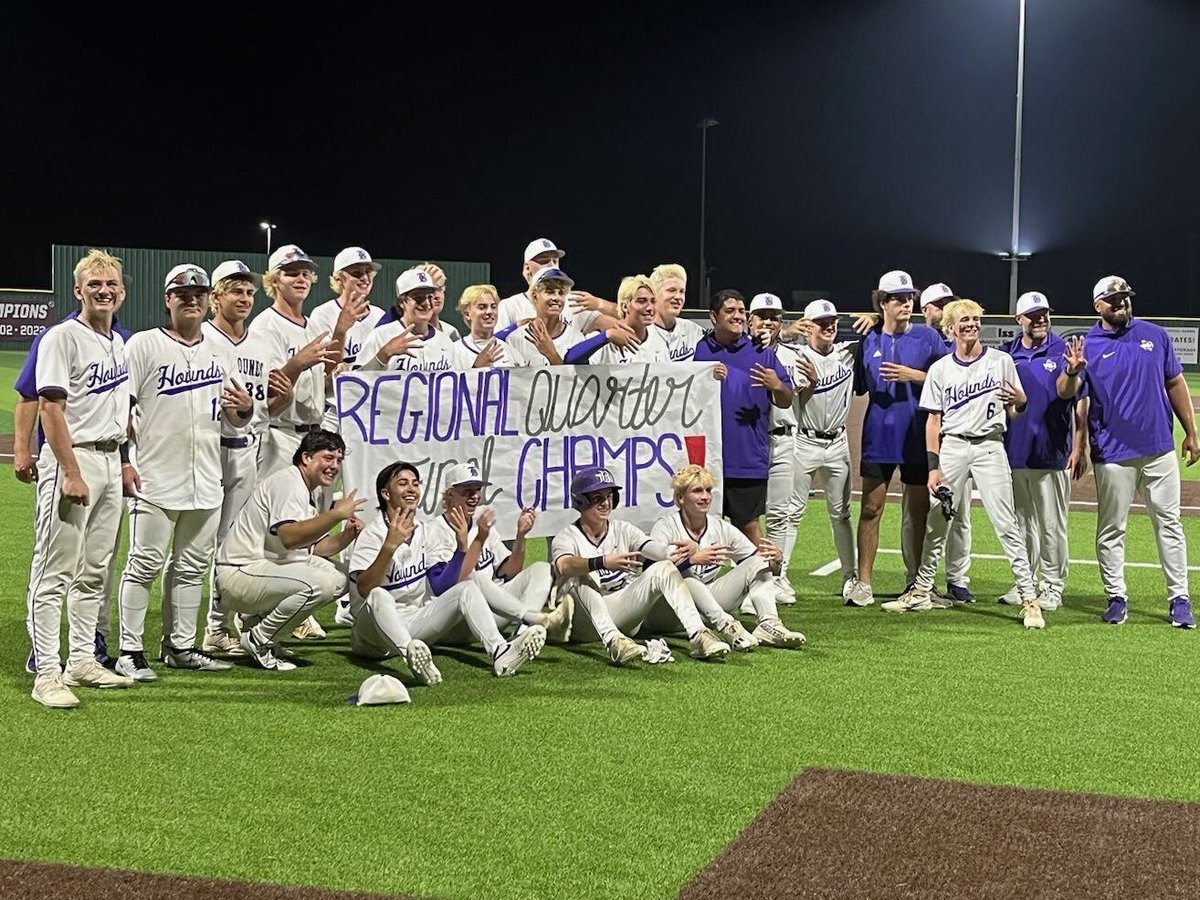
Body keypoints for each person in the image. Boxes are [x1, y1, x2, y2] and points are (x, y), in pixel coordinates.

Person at [114, 264, 254, 680]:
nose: (191, 299)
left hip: (207, 477)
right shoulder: (143, 345)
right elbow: (120, 407)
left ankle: (181, 646)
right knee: (144, 564)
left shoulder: (218, 351)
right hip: (154, 476)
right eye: (182, 294)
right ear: (167, 300)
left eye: (199, 293)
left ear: (208, 299)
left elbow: (235, 419)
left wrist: (244, 409)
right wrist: (124, 460)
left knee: (192, 566)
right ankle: (129, 650)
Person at [883, 299, 1043, 629]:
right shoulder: (941, 368)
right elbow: (932, 421)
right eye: (963, 320)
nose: (970, 324)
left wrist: (1022, 403)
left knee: (1005, 523)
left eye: (974, 319)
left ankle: (1029, 598)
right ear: (951, 328)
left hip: (989, 447)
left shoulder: (1001, 361)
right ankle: (923, 589)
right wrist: (933, 466)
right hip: (953, 447)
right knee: (937, 522)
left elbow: (1016, 411)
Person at [27, 248, 136, 706]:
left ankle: (81, 661)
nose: (104, 291)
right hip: (74, 459)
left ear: (123, 292)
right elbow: (50, 408)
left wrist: (125, 461)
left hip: (110, 460)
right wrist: (70, 471)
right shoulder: (62, 337)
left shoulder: (119, 343)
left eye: (110, 284)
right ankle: (47, 673)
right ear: (79, 291)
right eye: (94, 284)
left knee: (94, 572)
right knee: (55, 571)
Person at [1073, 275, 1198, 628]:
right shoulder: (1088, 345)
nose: (1121, 304)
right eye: (1113, 300)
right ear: (1097, 305)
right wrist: (1079, 445)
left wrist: (1191, 431)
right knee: (1112, 528)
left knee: (1170, 524)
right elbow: (1077, 400)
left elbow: (1174, 381)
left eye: (1125, 298)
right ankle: (1116, 596)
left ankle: (1180, 598)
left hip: (1159, 448)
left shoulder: (1155, 335)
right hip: (1112, 453)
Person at [347, 461, 547, 680]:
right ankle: (411, 657)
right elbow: (365, 588)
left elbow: (443, 585)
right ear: (386, 494)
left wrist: (462, 548)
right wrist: (389, 547)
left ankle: (500, 650)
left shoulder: (425, 532)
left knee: (467, 587)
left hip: (415, 627)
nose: (411, 489)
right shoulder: (373, 533)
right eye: (403, 484)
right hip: (372, 636)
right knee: (379, 594)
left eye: (415, 483)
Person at [248, 244, 347, 642]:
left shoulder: (307, 326)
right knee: (275, 532)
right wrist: (300, 363)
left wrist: (326, 369)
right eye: (291, 273)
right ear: (274, 281)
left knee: (304, 529)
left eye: (305, 272)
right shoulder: (265, 326)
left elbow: (316, 385)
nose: (301, 278)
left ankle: (295, 605)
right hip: (278, 434)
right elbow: (272, 387)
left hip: (310, 431)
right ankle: (253, 613)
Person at [214, 430, 365, 670]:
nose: (334, 465)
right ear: (306, 457)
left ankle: (260, 627)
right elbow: (289, 538)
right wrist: (336, 514)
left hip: (263, 570)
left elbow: (315, 547)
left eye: (338, 460)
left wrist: (346, 536)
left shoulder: (310, 487)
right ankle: (259, 639)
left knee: (341, 577)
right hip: (240, 573)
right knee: (320, 584)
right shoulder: (289, 482)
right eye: (328, 458)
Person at [553, 466, 732, 665]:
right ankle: (614, 641)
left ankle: (699, 635)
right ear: (581, 501)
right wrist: (601, 562)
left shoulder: (624, 529)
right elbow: (564, 565)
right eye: (597, 498)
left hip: (622, 613)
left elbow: (656, 550)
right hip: (583, 624)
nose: (605, 503)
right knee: (581, 575)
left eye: (609, 496)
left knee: (664, 567)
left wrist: (680, 551)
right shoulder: (566, 537)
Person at [845, 271, 946, 607]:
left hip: (917, 435)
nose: (907, 303)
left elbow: (953, 376)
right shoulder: (868, 340)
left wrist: (913, 375)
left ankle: (917, 582)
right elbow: (858, 383)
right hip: (878, 435)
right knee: (871, 509)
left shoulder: (928, 338)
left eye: (910, 297)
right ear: (883, 303)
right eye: (898, 298)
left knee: (918, 512)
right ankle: (863, 583)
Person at [200, 260, 286, 655]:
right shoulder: (199, 337)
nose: (245, 298)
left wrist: (274, 395)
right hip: (205, 450)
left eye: (249, 292)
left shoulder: (261, 343)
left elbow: (271, 406)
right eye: (236, 291)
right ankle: (186, 631)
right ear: (215, 295)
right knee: (195, 547)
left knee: (234, 544)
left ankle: (220, 627)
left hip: (247, 450)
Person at [648, 465, 806, 649]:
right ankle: (726, 626)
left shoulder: (720, 528)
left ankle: (769, 623)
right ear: (680, 498)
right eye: (697, 491)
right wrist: (691, 560)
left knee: (759, 561)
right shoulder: (665, 526)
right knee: (689, 580)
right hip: (667, 610)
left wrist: (775, 561)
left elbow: (757, 565)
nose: (705, 497)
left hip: (705, 606)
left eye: (708, 491)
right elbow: (651, 572)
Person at [996, 292, 1083, 611]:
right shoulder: (1006, 355)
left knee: (1051, 524)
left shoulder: (1063, 350)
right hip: (1015, 452)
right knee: (1020, 523)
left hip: (1050, 451)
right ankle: (1026, 584)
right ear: (1019, 320)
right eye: (1033, 315)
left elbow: (1066, 392)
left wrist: (1072, 372)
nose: (1041, 319)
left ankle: (1053, 585)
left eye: (1044, 313)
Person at [424, 463, 571, 640]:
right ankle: (537, 620)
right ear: (449, 494)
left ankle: (523, 635)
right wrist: (477, 540)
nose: (474, 496)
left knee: (542, 568)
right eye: (467, 490)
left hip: (491, 612)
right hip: (455, 621)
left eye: (477, 489)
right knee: (473, 578)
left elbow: (510, 571)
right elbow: (443, 588)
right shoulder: (434, 531)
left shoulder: (480, 522)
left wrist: (520, 536)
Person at [693, 289, 793, 545]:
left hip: (747, 457)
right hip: (708, 460)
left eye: (741, 311)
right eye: (730, 311)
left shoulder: (762, 352)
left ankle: (766, 582)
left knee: (747, 527)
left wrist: (776, 385)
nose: (737, 316)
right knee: (703, 527)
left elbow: (786, 398)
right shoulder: (701, 349)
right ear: (713, 316)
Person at [788, 299, 857, 600]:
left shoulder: (848, 353)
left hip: (838, 443)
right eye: (821, 322)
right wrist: (789, 333)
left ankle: (851, 577)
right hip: (803, 440)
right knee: (791, 513)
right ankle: (778, 576)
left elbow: (882, 330)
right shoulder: (795, 357)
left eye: (832, 320)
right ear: (807, 327)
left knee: (841, 513)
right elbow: (794, 404)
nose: (829, 326)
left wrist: (871, 316)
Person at [916, 282, 975, 602]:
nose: (945, 309)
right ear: (925, 310)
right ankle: (920, 577)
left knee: (960, 512)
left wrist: (914, 376)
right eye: (939, 305)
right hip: (922, 437)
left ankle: (957, 578)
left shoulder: (958, 343)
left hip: (956, 439)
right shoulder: (919, 340)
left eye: (950, 303)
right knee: (924, 512)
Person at [746, 292, 801, 604]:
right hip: (750, 439)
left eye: (775, 317)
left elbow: (801, 398)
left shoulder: (793, 356)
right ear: (751, 320)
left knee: (780, 513)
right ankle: (747, 573)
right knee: (746, 513)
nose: (768, 321)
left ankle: (776, 576)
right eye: (762, 316)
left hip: (782, 437)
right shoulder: (741, 350)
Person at [309, 246, 387, 428]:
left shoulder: (379, 316)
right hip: (335, 411)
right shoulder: (322, 314)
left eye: (369, 272)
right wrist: (341, 330)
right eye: (356, 273)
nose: (365, 278)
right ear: (339, 278)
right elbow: (325, 371)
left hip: (371, 410)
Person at [356, 268, 457, 372]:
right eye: (419, 298)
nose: (426, 303)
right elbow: (353, 383)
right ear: (401, 302)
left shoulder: (445, 341)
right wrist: (384, 354)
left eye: (430, 297)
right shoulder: (381, 336)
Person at [564, 275, 670, 364]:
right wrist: (606, 336)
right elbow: (570, 360)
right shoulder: (607, 337)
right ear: (625, 306)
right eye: (642, 301)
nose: (649, 308)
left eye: (653, 301)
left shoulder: (659, 339)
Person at [448, 284, 515, 369]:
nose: (489, 311)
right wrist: (475, 368)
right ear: (467, 314)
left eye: (493, 307)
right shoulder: (454, 351)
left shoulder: (511, 352)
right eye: (482, 307)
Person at [649, 263, 706, 362]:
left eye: (682, 291)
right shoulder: (642, 333)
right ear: (654, 294)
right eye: (671, 290)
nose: (678, 297)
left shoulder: (694, 331)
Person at [417, 262, 461, 342]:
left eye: (440, 289)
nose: (437, 296)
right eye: (432, 290)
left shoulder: (452, 333)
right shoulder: (403, 332)